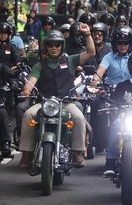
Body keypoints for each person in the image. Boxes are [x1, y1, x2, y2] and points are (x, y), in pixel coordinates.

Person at [18, 25, 95, 168]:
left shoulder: (70, 60)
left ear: (62, 46)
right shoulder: (39, 65)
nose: (54, 47)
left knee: (78, 117)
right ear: (46, 47)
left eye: (57, 44)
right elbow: (31, 82)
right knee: (28, 114)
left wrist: (88, 34)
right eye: (51, 45)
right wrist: (27, 91)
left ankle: (77, 152)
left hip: (66, 101)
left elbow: (90, 52)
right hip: (45, 102)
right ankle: (27, 153)